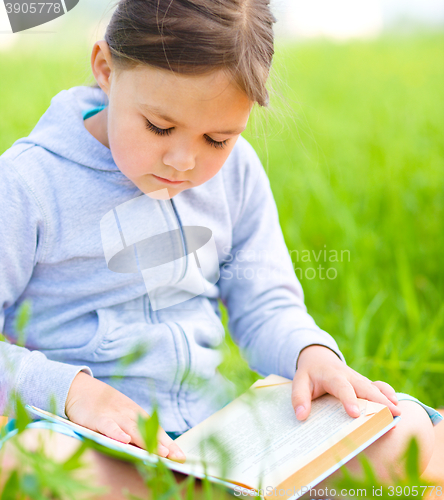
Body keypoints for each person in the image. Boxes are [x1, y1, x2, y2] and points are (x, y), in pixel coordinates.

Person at [0, 0, 441, 497]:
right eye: (159, 127)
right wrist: (74, 393)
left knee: (406, 433)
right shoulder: (27, 184)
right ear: (106, 69)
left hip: (215, 433)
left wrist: (310, 353)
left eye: (217, 138)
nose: (183, 161)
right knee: (33, 467)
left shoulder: (237, 174)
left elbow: (266, 304)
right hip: (93, 440)